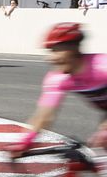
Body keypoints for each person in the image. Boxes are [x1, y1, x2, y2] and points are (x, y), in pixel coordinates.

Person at [8, 23, 107, 154]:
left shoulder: (102, 66)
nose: (51, 58)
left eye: (56, 50)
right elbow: (44, 115)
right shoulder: (57, 79)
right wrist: (25, 142)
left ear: (74, 49)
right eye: (50, 52)